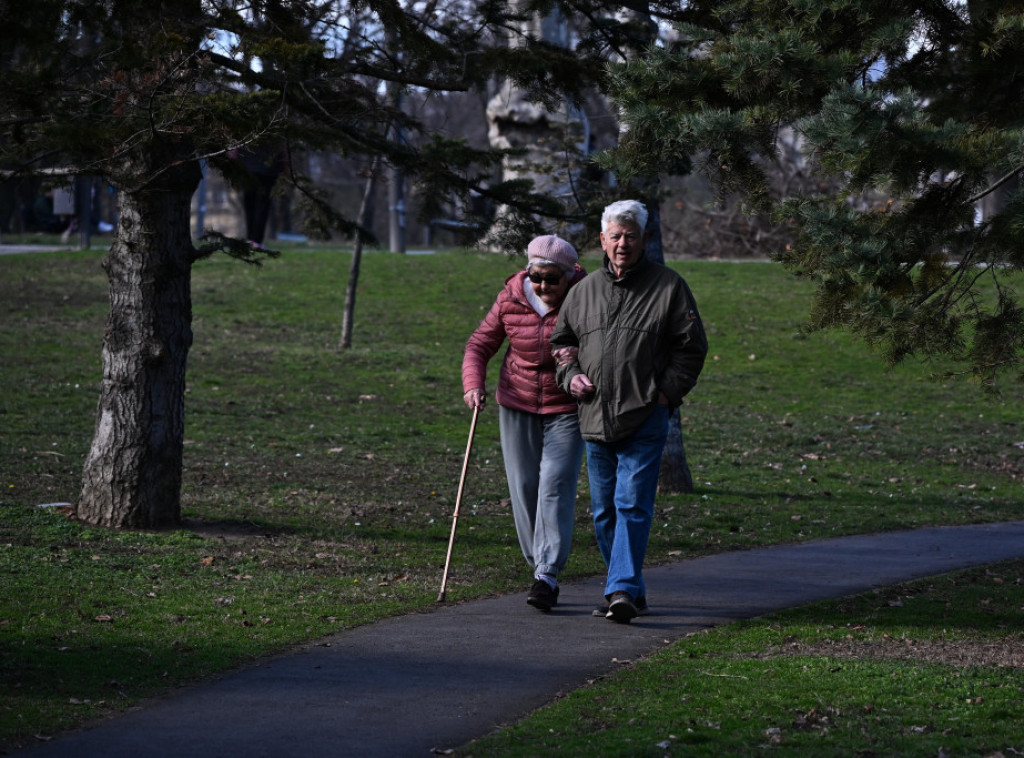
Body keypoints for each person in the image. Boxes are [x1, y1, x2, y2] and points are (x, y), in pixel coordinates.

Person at [551, 200, 708, 623]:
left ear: (643, 240)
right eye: (615, 236)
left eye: (631, 236)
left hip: (645, 415)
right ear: (602, 240)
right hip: (594, 416)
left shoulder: (669, 287)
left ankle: (619, 589)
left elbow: (691, 348)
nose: (623, 244)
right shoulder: (582, 292)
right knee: (604, 512)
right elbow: (561, 343)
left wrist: (666, 394)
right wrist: (571, 377)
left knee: (632, 504)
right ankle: (631, 589)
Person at [462, 235, 586, 611]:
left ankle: (547, 573)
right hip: (516, 403)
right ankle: (539, 566)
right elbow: (479, 344)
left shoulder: (586, 298)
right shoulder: (511, 298)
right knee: (525, 486)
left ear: (569, 275)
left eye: (552, 279)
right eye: (537, 278)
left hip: (567, 406)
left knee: (555, 484)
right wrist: (473, 384)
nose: (544, 286)